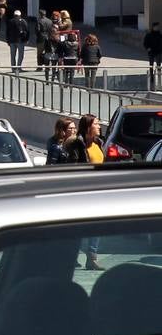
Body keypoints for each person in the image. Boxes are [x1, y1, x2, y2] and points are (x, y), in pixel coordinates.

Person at [64, 113, 104, 269]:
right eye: (96, 124)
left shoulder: (98, 142)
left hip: (98, 191)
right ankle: (72, 254)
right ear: (88, 127)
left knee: (98, 224)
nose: (99, 126)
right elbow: (72, 168)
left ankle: (92, 257)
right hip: (82, 191)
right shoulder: (77, 144)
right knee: (79, 226)